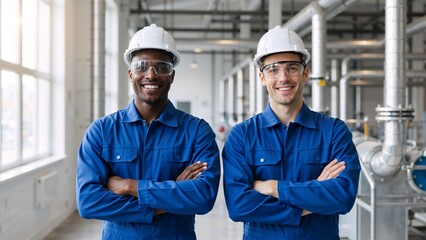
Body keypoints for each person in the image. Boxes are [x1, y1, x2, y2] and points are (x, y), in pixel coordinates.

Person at [76, 24, 221, 240]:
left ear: (172, 75)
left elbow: (202, 197)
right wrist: (171, 195)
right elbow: (89, 203)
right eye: (142, 66)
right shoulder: (102, 131)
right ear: (130, 73)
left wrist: (128, 186)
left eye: (162, 67)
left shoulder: (197, 131)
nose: (151, 75)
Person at [222, 25, 361, 239]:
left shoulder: (334, 131)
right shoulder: (242, 136)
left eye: (292, 68)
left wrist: (271, 187)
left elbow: (343, 197)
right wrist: (314, 191)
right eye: (273, 69)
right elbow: (239, 206)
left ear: (305, 73)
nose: (284, 78)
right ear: (262, 77)